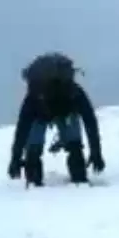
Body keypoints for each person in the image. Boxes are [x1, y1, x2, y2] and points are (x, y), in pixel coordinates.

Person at [8, 53, 105, 187]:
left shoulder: (33, 97)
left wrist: (16, 159)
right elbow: (90, 121)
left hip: (40, 113)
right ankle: (79, 176)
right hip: (66, 112)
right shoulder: (74, 91)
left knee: (33, 149)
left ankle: (34, 180)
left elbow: (22, 130)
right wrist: (96, 153)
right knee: (74, 146)